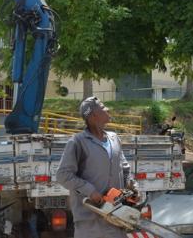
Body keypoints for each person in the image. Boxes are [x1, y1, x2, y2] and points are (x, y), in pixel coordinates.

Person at [56, 96, 138, 238]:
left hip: (116, 218)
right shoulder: (78, 142)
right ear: (93, 115)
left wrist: (132, 185)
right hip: (89, 223)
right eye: (103, 106)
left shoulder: (114, 139)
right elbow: (63, 175)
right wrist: (90, 191)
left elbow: (125, 169)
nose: (107, 109)